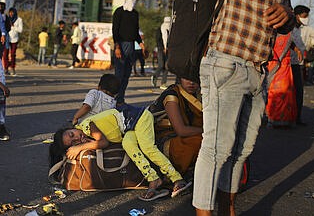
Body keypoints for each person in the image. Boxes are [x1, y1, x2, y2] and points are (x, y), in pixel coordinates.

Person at [194, 0, 296, 215]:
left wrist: (288, 18)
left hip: (258, 71)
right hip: (226, 62)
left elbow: (288, 16)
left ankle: (228, 207)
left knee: (242, 150)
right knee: (217, 148)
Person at [50, 107, 192, 201]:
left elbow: (103, 142)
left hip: (139, 117)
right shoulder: (85, 134)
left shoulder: (87, 124)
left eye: (72, 134)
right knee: (128, 145)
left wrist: (79, 148)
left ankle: (177, 179)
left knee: (148, 148)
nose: (76, 138)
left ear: (72, 127)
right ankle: (154, 179)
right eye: (73, 142)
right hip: (128, 129)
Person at [151, 77, 203, 176]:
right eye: (186, 77)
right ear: (180, 78)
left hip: (189, 134)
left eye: (195, 78)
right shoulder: (172, 95)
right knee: (201, 142)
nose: (191, 82)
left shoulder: (199, 94)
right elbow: (181, 130)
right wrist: (207, 131)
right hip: (164, 140)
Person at [112, 0, 147, 104]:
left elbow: (135, 32)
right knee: (119, 75)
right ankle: (113, 99)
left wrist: (141, 44)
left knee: (126, 75)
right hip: (120, 46)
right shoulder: (118, 12)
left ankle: (120, 99)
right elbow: (115, 31)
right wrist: (117, 47)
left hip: (131, 46)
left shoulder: (135, 14)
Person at [266, 33, 298, 127]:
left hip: (285, 67)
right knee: (274, 92)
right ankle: (272, 119)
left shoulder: (288, 33)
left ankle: (287, 119)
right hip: (274, 64)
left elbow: (290, 43)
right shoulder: (271, 31)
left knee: (286, 93)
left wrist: (297, 50)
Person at [151, 17, 171, 90]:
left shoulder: (170, 30)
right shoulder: (160, 29)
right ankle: (155, 76)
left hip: (168, 50)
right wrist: (163, 48)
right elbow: (158, 40)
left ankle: (163, 83)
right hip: (161, 49)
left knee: (166, 66)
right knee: (161, 65)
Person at [3, 7, 23, 76]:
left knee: (12, 54)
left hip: (14, 39)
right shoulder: (6, 19)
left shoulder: (19, 19)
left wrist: (13, 26)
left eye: (12, 12)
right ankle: (6, 68)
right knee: (5, 54)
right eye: (10, 12)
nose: (11, 14)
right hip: (7, 39)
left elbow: (20, 30)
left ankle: (12, 67)